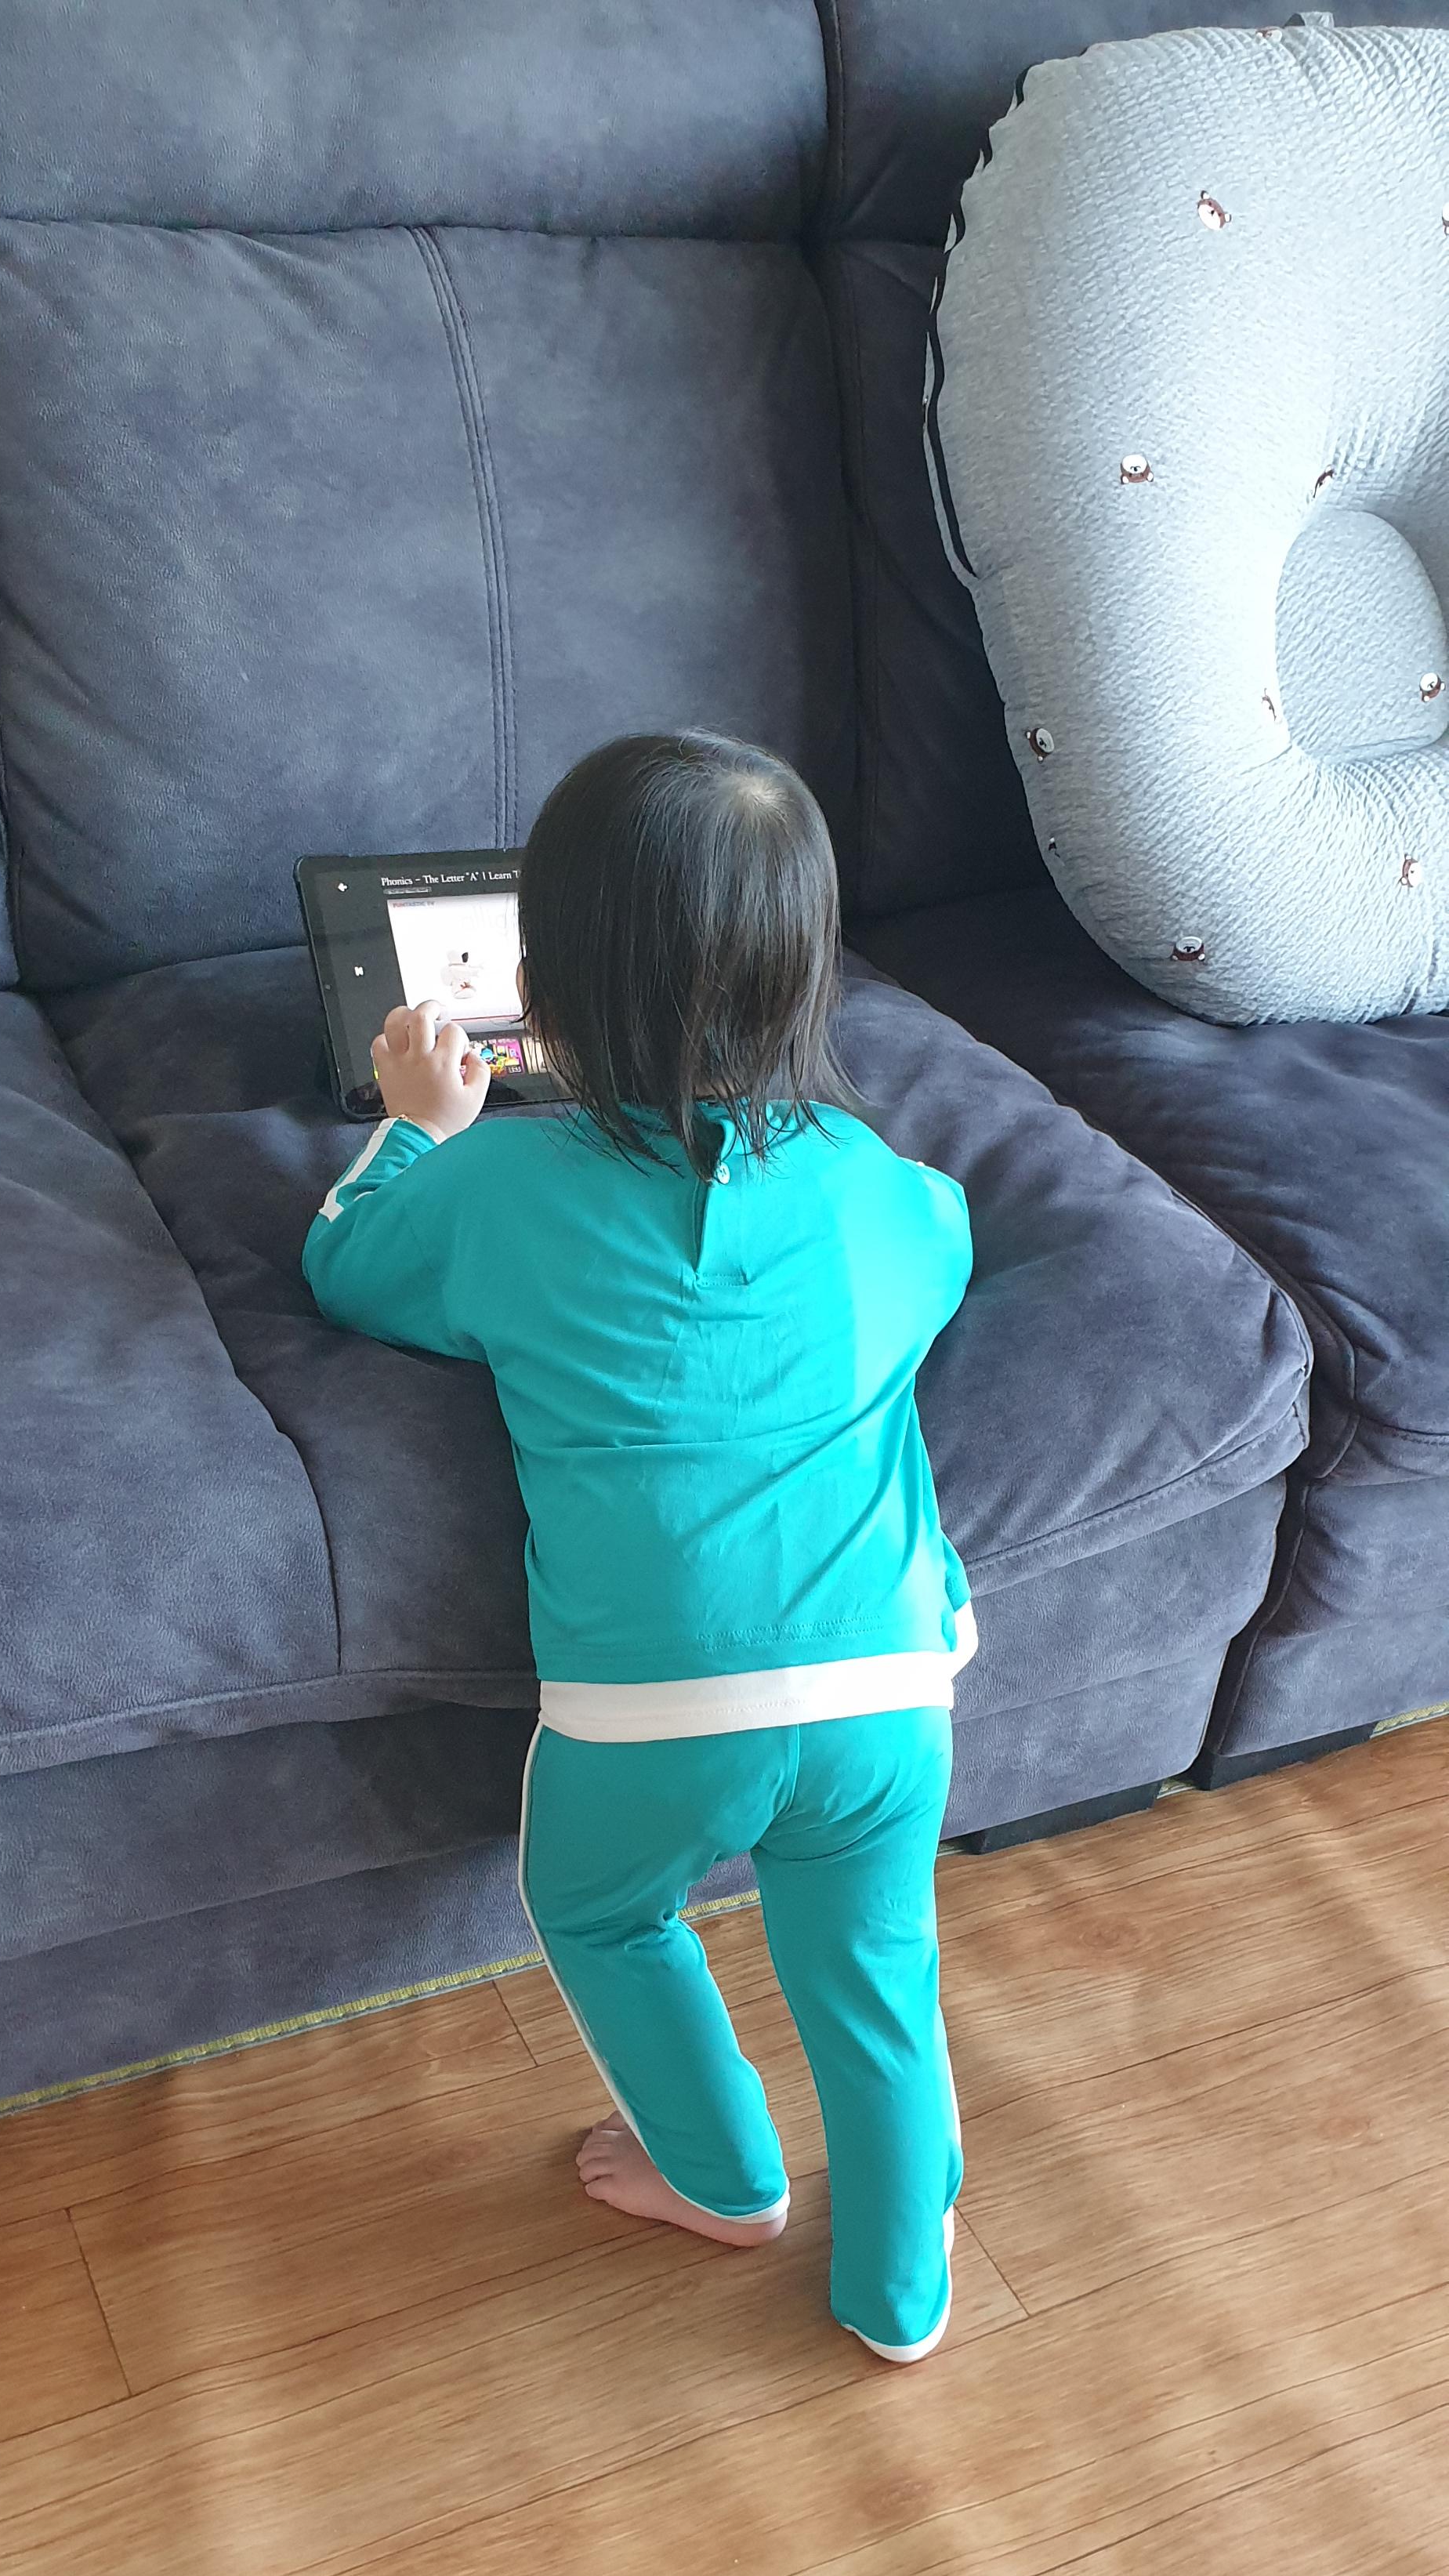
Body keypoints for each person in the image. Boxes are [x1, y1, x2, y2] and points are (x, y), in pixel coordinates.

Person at [302, 733, 976, 2360]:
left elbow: (348, 1267)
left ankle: (721, 2180)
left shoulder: (502, 1184)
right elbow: (945, 1245)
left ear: (543, 986)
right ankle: (903, 2288)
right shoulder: (881, 1188)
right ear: (806, 979)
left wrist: (419, 1127)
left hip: (652, 1715)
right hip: (891, 1688)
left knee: (600, 1910)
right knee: (876, 1966)